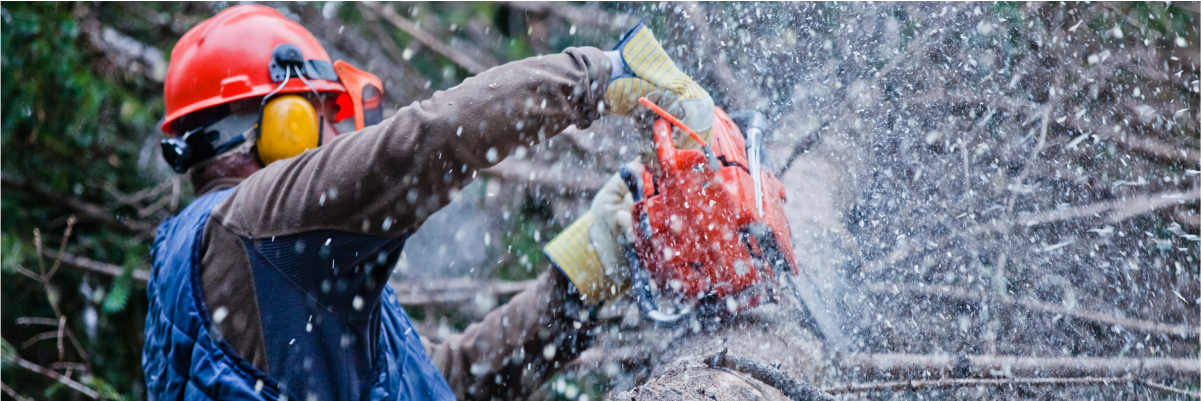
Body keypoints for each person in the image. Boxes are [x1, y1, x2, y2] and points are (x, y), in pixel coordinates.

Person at [142, 5, 712, 401]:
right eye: (321, 116)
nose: (336, 139)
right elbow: (424, 143)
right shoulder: (255, 224)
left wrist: (581, 278)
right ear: (280, 126)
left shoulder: (246, 264)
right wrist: (602, 74)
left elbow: (445, 382)